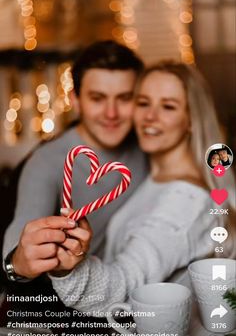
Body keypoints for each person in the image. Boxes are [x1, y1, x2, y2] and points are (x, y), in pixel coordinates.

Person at [48, 60, 235, 315]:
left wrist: (68, 269)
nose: (149, 116)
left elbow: (124, 288)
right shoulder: (154, 177)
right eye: (143, 102)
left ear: (191, 119)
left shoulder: (185, 200)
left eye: (168, 106)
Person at [2, 40, 148, 281]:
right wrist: (18, 262)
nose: (111, 113)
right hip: (74, 296)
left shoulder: (149, 144)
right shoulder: (47, 161)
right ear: (75, 100)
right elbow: (20, 236)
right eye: (97, 98)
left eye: (124, 98)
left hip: (134, 281)